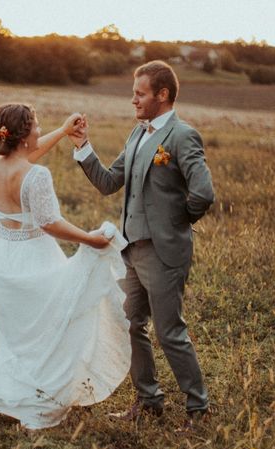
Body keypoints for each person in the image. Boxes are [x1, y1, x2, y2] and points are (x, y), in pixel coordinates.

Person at [68, 60, 215, 430]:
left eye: (140, 93)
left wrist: (175, 224)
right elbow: (108, 182)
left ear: (162, 95)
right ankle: (149, 401)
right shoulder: (137, 134)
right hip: (131, 250)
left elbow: (203, 193)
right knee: (131, 324)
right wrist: (83, 146)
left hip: (164, 252)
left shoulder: (183, 136)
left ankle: (198, 409)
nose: (133, 100)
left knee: (170, 332)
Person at [0, 103, 131, 430]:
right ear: (24, 135)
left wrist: (62, 131)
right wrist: (91, 240)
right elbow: (50, 223)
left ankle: (11, 395)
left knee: (16, 334)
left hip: (0, 261)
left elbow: (24, 159)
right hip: (34, 261)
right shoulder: (37, 175)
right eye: (37, 125)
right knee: (49, 328)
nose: (39, 130)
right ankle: (41, 399)